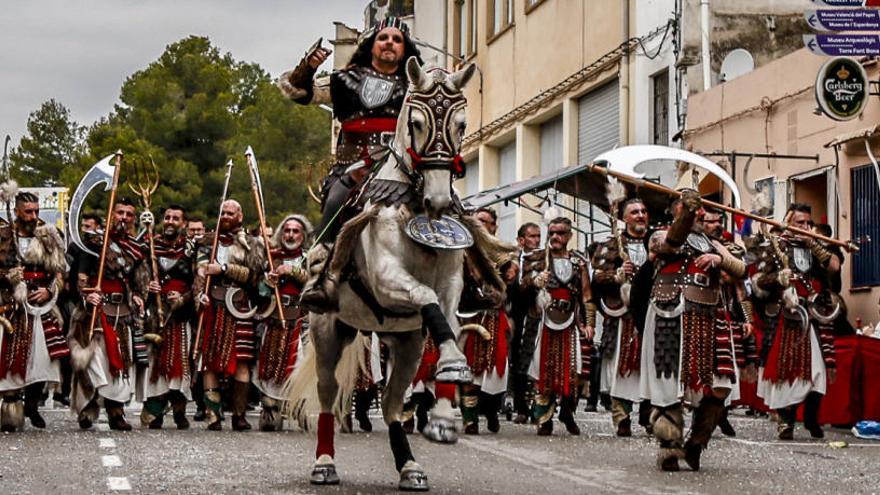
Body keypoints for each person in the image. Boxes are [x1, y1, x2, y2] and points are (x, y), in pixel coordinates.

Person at [278, 16, 423, 312]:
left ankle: (473, 277)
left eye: (397, 40)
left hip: (403, 170)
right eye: (384, 38)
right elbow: (300, 93)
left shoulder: (416, 86)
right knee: (335, 201)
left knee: (447, 202)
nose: (390, 44)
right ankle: (322, 275)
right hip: (354, 167)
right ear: (371, 44)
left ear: (404, 47)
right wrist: (308, 68)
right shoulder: (344, 79)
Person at [640, 190, 746, 471]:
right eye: (691, 211)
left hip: (711, 317)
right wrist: (686, 211)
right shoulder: (658, 235)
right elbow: (672, 241)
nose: (699, 215)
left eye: (699, 211)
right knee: (668, 383)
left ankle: (695, 444)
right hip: (670, 314)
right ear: (676, 211)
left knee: (720, 386)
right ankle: (669, 447)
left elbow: (741, 269)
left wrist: (718, 259)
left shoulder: (712, 242)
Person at [753, 203, 839, 440]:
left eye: (808, 223)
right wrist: (778, 278)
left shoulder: (815, 246)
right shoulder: (775, 246)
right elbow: (758, 281)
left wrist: (812, 241)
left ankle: (811, 418)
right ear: (789, 224)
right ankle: (785, 421)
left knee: (819, 373)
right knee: (784, 372)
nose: (806, 227)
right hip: (787, 316)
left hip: (815, 316)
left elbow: (834, 266)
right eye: (800, 223)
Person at [70, 197, 149, 431]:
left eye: (129, 214)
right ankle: (88, 406)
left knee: (121, 361)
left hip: (122, 312)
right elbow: (80, 277)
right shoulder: (94, 242)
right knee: (94, 361)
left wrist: (137, 296)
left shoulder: (135, 248)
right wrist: (86, 295)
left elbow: (137, 282)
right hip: (95, 310)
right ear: (111, 214)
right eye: (120, 213)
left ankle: (116, 411)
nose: (124, 218)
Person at [0, 191, 69, 432]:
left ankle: (32, 405)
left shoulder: (50, 235)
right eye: (28, 211)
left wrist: (50, 292)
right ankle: (11, 412)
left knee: (42, 359)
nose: (34, 216)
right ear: (17, 211)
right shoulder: (3, 235)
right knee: (11, 359)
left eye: (36, 211)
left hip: (43, 306)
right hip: (12, 306)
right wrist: (10, 278)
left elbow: (61, 272)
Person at [193, 200, 264, 431]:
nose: (225, 216)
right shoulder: (206, 242)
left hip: (240, 306)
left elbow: (255, 276)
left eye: (230, 213)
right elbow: (200, 272)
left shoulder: (252, 243)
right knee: (210, 363)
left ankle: (239, 414)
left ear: (240, 216)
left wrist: (225, 269)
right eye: (222, 212)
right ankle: (213, 415)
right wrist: (199, 295)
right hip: (213, 304)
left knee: (242, 361)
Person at [528, 217, 595, 436]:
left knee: (573, 369)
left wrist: (589, 324)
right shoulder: (538, 259)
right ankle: (544, 419)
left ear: (569, 235)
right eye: (552, 233)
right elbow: (520, 287)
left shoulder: (578, 261)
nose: (555, 237)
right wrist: (534, 282)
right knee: (543, 368)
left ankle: (567, 411)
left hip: (570, 321)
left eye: (560, 233)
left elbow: (586, 295)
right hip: (543, 321)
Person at [590, 198, 651, 437]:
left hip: (651, 313)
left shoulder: (657, 242)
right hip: (621, 315)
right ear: (624, 218)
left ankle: (649, 416)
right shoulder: (611, 244)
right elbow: (596, 277)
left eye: (644, 211)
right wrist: (616, 275)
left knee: (649, 365)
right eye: (635, 212)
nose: (640, 215)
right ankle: (621, 416)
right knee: (619, 366)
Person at [252, 214, 312, 431]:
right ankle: (270, 411)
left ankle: (300, 410)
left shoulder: (309, 258)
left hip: (300, 321)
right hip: (274, 318)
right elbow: (258, 290)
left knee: (299, 368)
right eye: (287, 230)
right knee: (269, 366)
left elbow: (314, 281)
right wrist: (268, 283)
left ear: (303, 235)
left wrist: (293, 271)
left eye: (296, 231)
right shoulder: (272, 256)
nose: (290, 235)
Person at [458, 207, 514, 435]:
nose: (479, 225)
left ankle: (491, 411)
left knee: (495, 373)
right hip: (468, 318)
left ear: (494, 226)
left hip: (494, 317)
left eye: (485, 222)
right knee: (468, 370)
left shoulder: (502, 255)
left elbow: (509, 286)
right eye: (476, 221)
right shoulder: (460, 252)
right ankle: (470, 420)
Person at [139, 205, 195, 430]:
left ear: (183, 223)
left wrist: (183, 297)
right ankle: (155, 411)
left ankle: (179, 410)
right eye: (167, 217)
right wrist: (147, 287)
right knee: (155, 363)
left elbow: (199, 283)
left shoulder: (192, 249)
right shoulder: (149, 247)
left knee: (181, 362)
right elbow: (136, 278)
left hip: (181, 315)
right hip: (155, 316)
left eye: (176, 218)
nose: (170, 221)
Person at [512, 223, 545, 424]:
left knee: (534, 359)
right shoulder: (511, 258)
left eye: (539, 236)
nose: (536, 240)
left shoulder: (544, 259)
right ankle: (520, 406)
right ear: (521, 240)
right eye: (532, 236)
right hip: (516, 314)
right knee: (517, 359)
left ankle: (534, 405)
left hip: (536, 315)